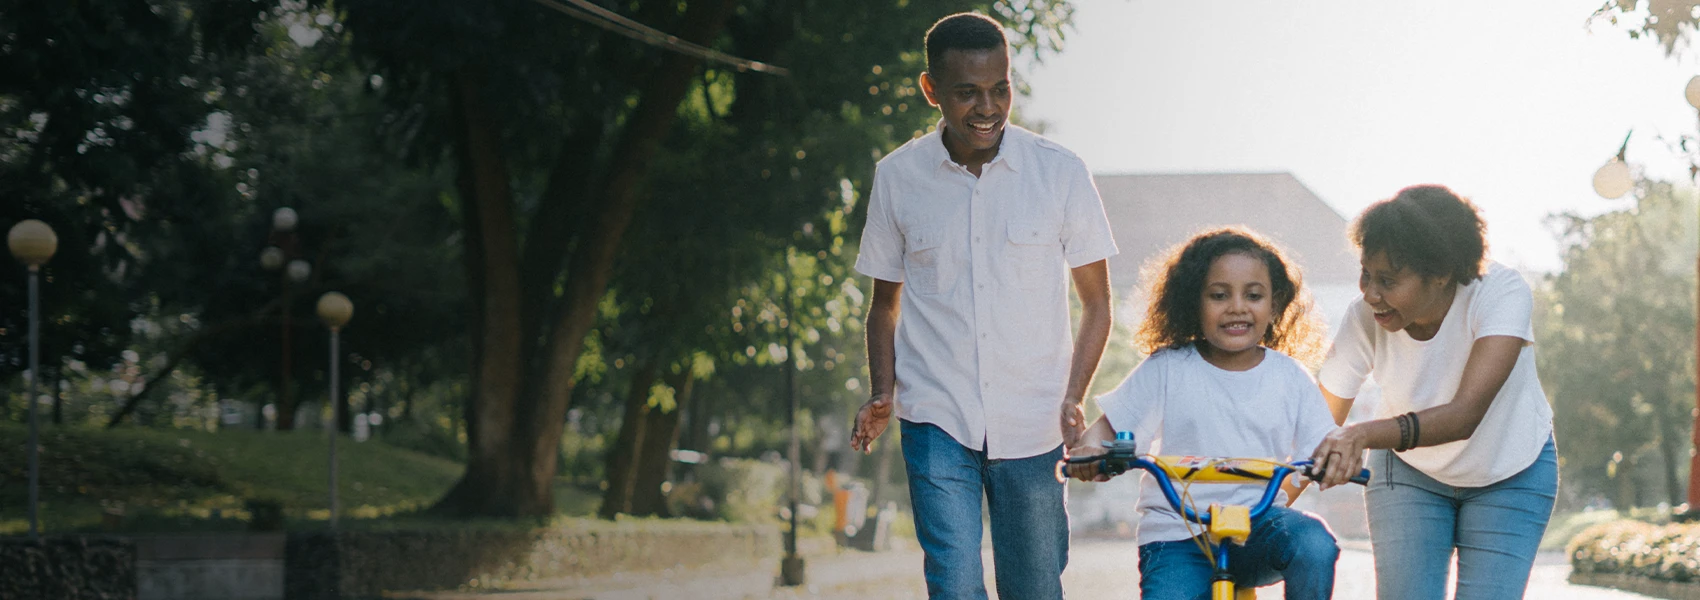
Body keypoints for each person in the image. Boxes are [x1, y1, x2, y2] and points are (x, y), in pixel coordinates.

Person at [846, 11, 1118, 600]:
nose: (988, 108)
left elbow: (1098, 305)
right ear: (931, 91)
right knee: (955, 583)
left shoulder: (1060, 173)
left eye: (1000, 89)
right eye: (967, 93)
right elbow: (883, 306)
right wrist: (881, 391)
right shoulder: (897, 178)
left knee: (1036, 588)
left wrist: (1073, 395)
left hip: (1034, 422)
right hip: (937, 416)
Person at [1308, 184, 1558, 599]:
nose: (1370, 294)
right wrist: (1266, 505)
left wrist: (1361, 434)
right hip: (1409, 474)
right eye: (1366, 274)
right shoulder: (1364, 317)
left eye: (1387, 280)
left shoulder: (1500, 293)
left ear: (1441, 272)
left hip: (1511, 471)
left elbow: (1464, 415)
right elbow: (1316, 426)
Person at [1067, 227, 1342, 600]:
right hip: (1176, 532)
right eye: (1218, 295)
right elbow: (1105, 431)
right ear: (1192, 302)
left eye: (1254, 295)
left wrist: (1335, 460)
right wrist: (1090, 452)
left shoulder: (1289, 377)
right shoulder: (1167, 368)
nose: (1237, 307)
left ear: (1274, 304)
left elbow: (1324, 445)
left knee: (1315, 544)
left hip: (1258, 527)